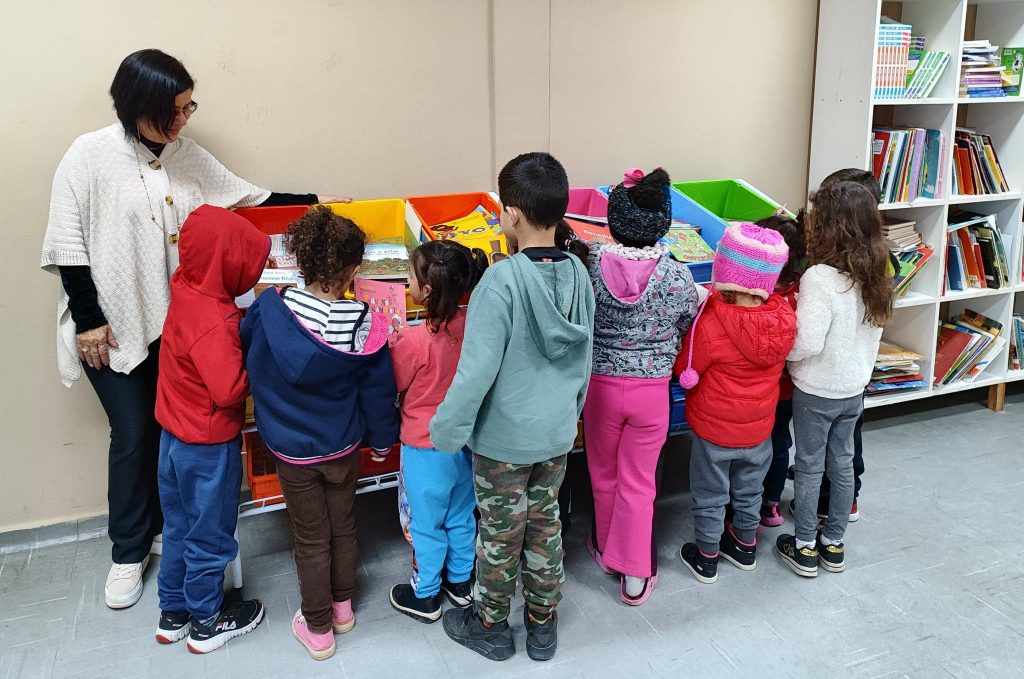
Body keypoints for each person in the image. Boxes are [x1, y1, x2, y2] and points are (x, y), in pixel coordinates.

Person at [38, 48, 347, 609]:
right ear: (138, 106)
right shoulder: (88, 156)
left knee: (172, 435)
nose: (183, 121)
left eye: (188, 108)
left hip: (178, 326)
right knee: (133, 435)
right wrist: (88, 320)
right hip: (111, 325)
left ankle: (167, 532)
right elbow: (68, 245)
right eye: (173, 111)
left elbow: (247, 196)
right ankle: (128, 551)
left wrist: (317, 204)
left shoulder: (185, 155)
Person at [431, 152, 594, 662]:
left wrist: (446, 430)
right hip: (554, 433)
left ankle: (491, 626)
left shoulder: (499, 284)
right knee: (545, 524)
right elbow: (585, 362)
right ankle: (542, 625)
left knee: (501, 533)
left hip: (503, 441)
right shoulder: (579, 276)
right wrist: (570, 415)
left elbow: (475, 373)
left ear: (513, 215)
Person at [241, 206, 398, 660]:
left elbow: (251, 352)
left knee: (310, 537)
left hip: (291, 450)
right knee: (344, 525)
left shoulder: (272, 309)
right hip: (343, 444)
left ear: (299, 262)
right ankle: (343, 608)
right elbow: (377, 392)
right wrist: (383, 440)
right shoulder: (366, 323)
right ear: (352, 270)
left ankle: (318, 629)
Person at [153, 205, 269, 653]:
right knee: (211, 531)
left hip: (172, 438)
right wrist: (253, 350)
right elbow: (228, 389)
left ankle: (174, 611)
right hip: (207, 444)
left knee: (179, 525)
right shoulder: (216, 323)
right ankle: (207, 619)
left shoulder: (185, 285)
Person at [582, 168, 699, 604]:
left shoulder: (590, 267)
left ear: (613, 222)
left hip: (600, 387)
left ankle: (606, 551)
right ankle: (634, 573)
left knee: (603, 472)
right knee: (639, 481)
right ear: (664, 223)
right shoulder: (677, 277)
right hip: (651, 391)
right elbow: (687, 321)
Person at [775, 182, 892, 577]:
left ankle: (805, 543)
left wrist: (783, 353)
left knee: (809, 466)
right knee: (842, 465)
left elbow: (805, 341)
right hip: (853, 389)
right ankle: (834, 543)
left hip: (816, 389)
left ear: (829, 229)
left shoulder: (820, 278)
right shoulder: (878, 273)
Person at [673, 223, 796, 583]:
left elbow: (686, 368)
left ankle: (707, 555)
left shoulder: (712, 322)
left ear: (724, 272)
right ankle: (744, 545)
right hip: (759, 428)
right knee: (748, 490)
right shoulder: (784, 319)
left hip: (714, 430)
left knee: (711, 493)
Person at [388, 240, 489, 623]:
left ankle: (426, 593)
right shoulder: (478, 329)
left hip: (422, 447)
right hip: (465, 440)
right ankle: (461, 583)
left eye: (410, 277)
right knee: (463, 513)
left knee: (425, 523)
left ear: (426, 291)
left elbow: (395, 383)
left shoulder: (413, 340)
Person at [752, 212, 805, 527]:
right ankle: (771, 504)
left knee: (758, 446)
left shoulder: (759, 296)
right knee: (779, 442)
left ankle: (751, 502)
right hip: (789, 387)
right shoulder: (803, 290)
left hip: (762, 386)